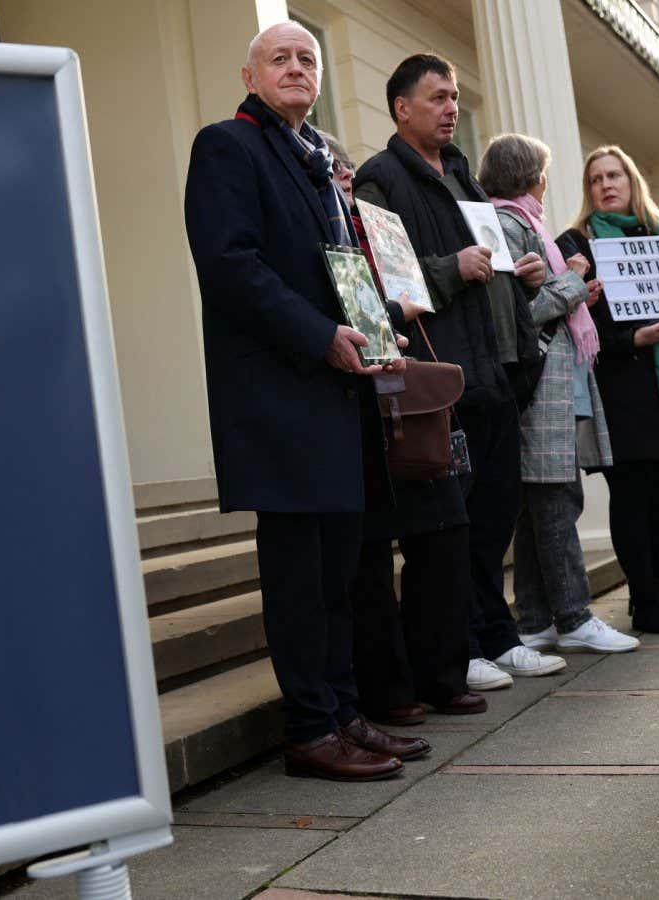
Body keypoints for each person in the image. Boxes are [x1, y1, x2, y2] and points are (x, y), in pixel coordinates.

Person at [184, 21, 427, 781]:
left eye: (307, 60)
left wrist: (374, 323)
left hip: (338, 389)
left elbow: (337, 265)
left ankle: (346, 712)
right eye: (280, 58)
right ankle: (310, 729)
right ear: (250, 76)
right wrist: (320, 333)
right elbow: (230, 264)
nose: (297, 68)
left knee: (343, 571)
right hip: (280, 394)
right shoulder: (228, 145)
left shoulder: (318, 158)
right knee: (299, 575)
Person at [353, 54, 567, 690]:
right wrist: (452, 269)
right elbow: (381, 277)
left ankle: (496, 637)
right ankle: (458, 645)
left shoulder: (465, 176)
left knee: (493, 517)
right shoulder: (380, 179)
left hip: (497, 373)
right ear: (402, 108)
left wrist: (521, 276)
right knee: (447, 527)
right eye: (438, 98)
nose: (451, 108)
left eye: (453, 98)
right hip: (442, 380)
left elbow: (488, 265)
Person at [320, 129, 486, 723]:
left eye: (342, 173)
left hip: (410, 398)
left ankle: (442, 674)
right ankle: (390, 692)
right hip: (351, 405)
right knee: (368, 559)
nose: (340, 183)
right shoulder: (317, 237)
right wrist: (396, 311)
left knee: (445, 531)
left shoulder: (378, 230)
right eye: (331, 175)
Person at [478, 134, 639, 653]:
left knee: (539, 506)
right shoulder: (508, 223)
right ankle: (574, 618)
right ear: (532, 177)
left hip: (553, 386)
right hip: (541, 390)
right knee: (556, 503)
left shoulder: (523, 222)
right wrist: (572, 282)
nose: (546, 184)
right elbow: (518, 318)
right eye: (543, 173)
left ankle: (535, 619)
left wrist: (574, 295)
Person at [557, 146, 659, 633]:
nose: (606, 185)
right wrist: (634, 339)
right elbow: (577, 331)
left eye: (614, 175)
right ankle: (646, 604)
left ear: (632, 182)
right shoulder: (575, 245)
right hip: (619, 391)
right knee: (632, 497)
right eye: (596, 179)